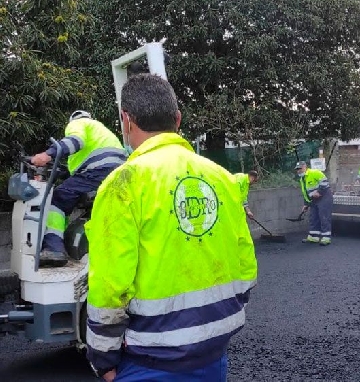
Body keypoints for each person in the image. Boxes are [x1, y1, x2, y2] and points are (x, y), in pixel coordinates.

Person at [84, 73, 258, 382]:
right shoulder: (222, 178)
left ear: (126, 121)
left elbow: (110, 286)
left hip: (150, 361)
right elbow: (245, 263)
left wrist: (104, 359)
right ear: (177, 119)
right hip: (214, 352)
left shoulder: (123, 183)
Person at [30, 110, 127, 266]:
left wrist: (47, 155)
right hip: (118, 175)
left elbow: (75, 141)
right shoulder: (101, 131)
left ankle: (54, 248)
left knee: (58, 199)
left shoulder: (78, 124)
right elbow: (74, 171)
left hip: (98, 171)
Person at [295, 161, 333, 245]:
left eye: (300, 168)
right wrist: (306, 204)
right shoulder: (302, 179)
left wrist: (319, 192)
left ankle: (326, 238)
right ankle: (313, 236)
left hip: (324, 197)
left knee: (324, 217)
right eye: (297, 169)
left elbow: (325, 182)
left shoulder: (314, 172)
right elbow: (305, 193)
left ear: (305, 167)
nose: (298, 171)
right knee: (313, 217)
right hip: (314, 200)